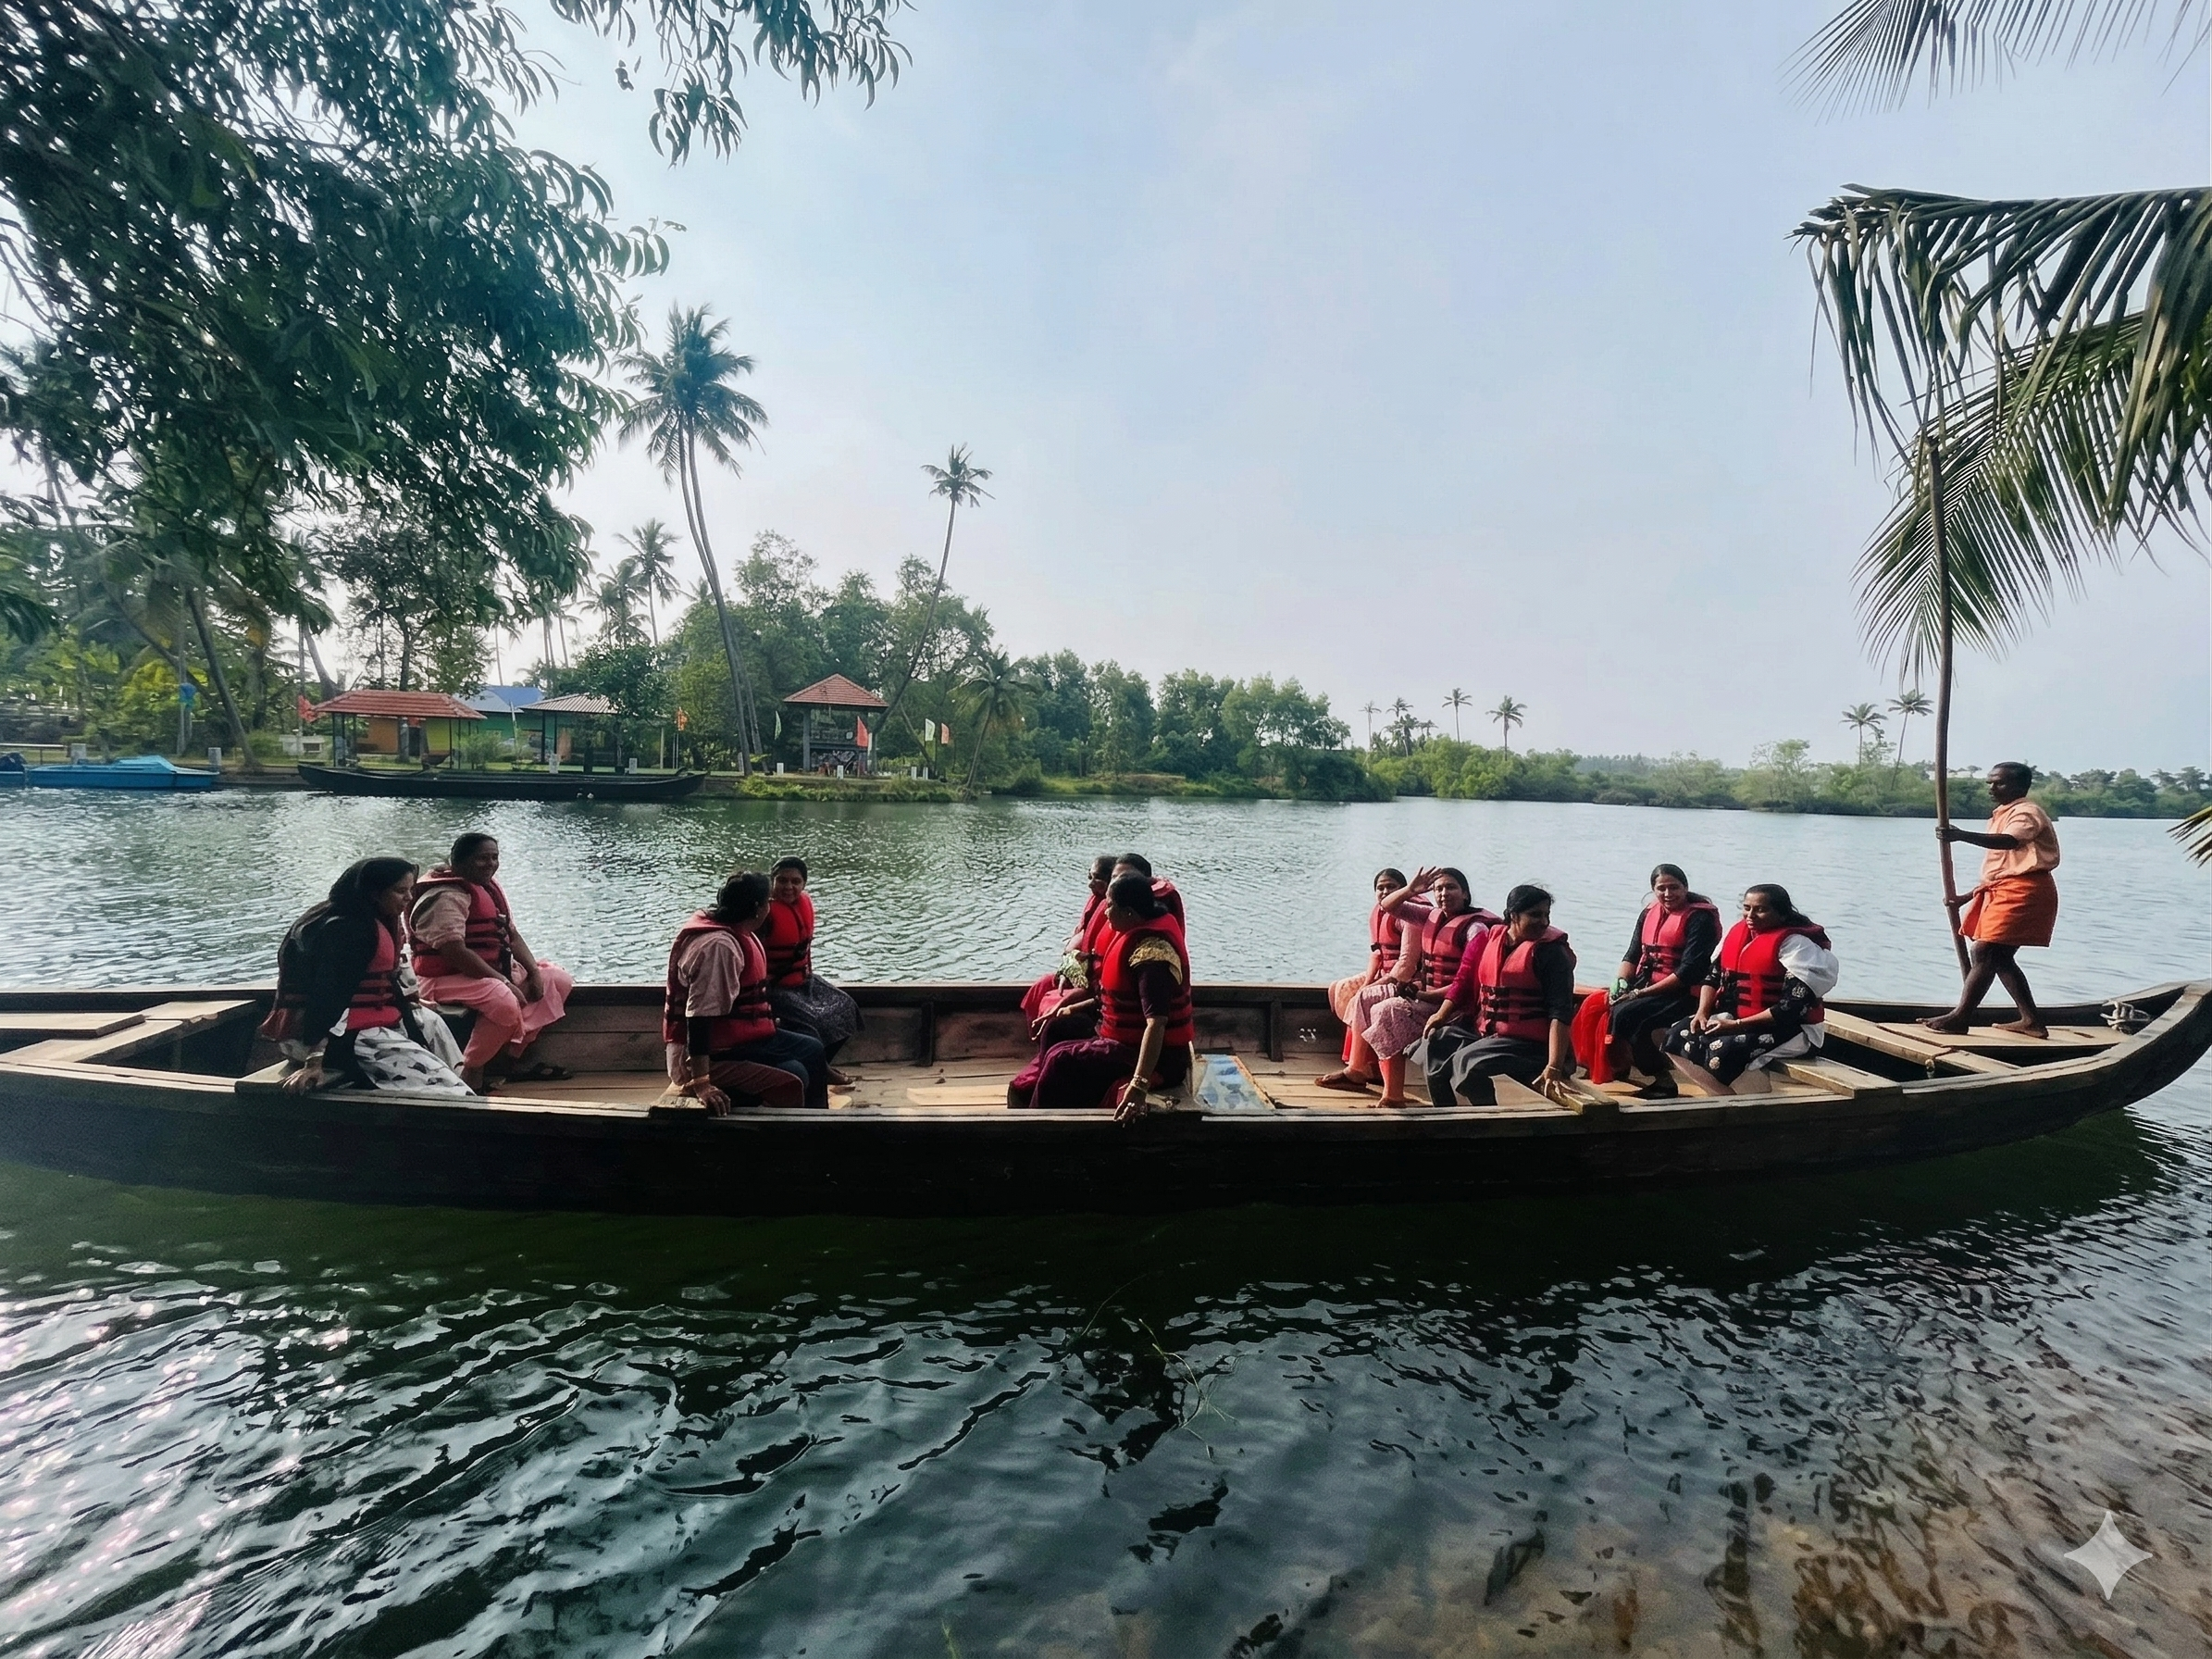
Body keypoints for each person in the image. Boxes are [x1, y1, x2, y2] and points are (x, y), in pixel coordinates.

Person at [263, 857, 472, 1096]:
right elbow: (328, 997)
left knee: (432, 1023)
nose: (409, 898)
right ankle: (455, 1097)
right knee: (450, 1090)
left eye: (410, 890)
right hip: (320, 1036)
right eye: (400, 891)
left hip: (357, 1020)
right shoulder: (347, 930)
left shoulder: (372, 918)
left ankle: (458, 1083)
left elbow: (377, 977)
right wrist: (314, 1061)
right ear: (374, 893)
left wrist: (403, 999)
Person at [1009, 874, 1193, 1119]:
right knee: (1057, 1032)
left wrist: (1138, 1085)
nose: (1105, 913)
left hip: (1161, 1058)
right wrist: (1070, 1009)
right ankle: (1040, 1104)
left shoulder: (1152, 956)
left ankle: (1040, 1128)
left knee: (1060, 1061)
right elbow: (1117, 998)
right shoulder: (1134, 929)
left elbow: (1156, 1023)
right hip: (1123, 1038)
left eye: (1109, 906)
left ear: (1128, 912)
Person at [410, 832, 576, 1091]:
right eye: (482, 858)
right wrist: (502, 981)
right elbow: (453, 951)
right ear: (459, 861)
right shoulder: (445, 895)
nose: (490, 864)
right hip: (443, 979)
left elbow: (511, 934)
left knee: (556, 980)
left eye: (494, 857)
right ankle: (471, 1068)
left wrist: (532, 971)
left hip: (487, 972)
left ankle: (510, 1059)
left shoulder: (487, 886)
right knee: (503, 999)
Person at [662, 871, 831, 1112]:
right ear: (757, 908)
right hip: (704, 1056)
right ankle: (793, 1135)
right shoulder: (719, 948)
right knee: (795, 1076)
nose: (770, 907)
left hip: (736, 1041)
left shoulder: (738, 929)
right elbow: (698, 1018)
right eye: (767, 902)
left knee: (812, 1049)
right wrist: (701, 1083)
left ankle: (819, 1122)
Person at [1660, 883, 1840, 1095]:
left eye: (1760, 910)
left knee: (1726, 1050)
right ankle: (1725, 1096)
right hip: (1738, 1020)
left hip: (1793, 1029)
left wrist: (1736, 1025)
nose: (1750, 915)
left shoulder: (1798, 946)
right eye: (1746, 908)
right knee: (1677, 1034)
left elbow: (1791, 1008)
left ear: (1782, 914)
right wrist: (1702, 1012)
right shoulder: (1738, 934)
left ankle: (1754, 1099)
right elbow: (1712, 977)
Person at [1922, 762, 2060, 1038]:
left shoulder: (2026, 812)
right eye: (1990, 783)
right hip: (2006, 889)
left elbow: (2009, 842)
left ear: (2021, 786)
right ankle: (2031, 1020)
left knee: (1985, 952)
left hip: (2025, 892)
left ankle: (1961, 1017)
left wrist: (1961, 836)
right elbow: (2001, 869)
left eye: (1999, 783)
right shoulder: (2001, 814)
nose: (1992, 788)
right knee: (1999, 956)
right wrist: (1964, 898)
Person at [1413, 883, 1577, 1105]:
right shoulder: (1493, 939)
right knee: (1435, 1042)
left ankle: (1487, 1117)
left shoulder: (1552, 953)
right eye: (1535, 915)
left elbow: (1561, 1012)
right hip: (1489, 1033)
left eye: (1546, 915)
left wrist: (1554, 1067)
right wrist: (1442, 1014)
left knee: (1467, 1062)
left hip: (1533, 1047)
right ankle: (1446, 1113)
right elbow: (1463, 981)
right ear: (1513, 916)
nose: (1544, 922)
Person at [1348, 868, 1496, 1106]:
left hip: (1456, 1007)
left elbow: (1465, 982)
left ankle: (1393, 1095)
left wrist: (1424, 995)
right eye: (1438, 889)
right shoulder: (1430, 916)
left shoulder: (1475, 930)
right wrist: (1409, 890)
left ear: (1465, 894)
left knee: (1388, 1011)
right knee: (1378, 1007)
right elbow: (1389, 906)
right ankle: (1391, 1093)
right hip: (1430, 998)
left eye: (1451, 888)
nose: (1443, 893)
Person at [1315, 866, 1433, 1091]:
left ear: (1404, 889)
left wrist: (1373, 986)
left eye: (1391, 887)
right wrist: (1369, 980)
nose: (1385, 891)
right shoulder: (1379, 912)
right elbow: (1377, 953)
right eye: (1380, 888)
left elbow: (1406, 967)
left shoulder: (1409, 914)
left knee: (1363, 997)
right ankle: (1369, 1064)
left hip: (1410, 982)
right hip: (1384, 974)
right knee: (1338, 989)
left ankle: (1356, 1070)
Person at [1604, 865, 1721, 1088]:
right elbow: (1632, 954)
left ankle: (1662, 1079)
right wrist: (1620, 983)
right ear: (1653, 890)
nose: (1668, 894)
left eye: (1674, 887)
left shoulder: (1700, 919)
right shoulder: (1648, 913)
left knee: (1630, 1015)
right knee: (1596, 1006)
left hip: (1685, 992)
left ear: (1685, 888)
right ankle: (1614, 1067)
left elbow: (1688, 971)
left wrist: (1638, 993)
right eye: (1661, 888)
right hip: (1649, 986)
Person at [761, 857, 862, 1081]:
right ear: (772, 882)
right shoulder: (764, 914)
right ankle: (820, 1071)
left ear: (804, 884)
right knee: (813, 1021)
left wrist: (808, 977)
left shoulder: (805, 903)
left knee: (847, 1007)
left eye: (795, 881)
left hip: (803, 981)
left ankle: (819, 1066)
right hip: (773, 987)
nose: (789, 887)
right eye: (782, 880)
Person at [1019, 854, 1115, 1042]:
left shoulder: (1115, 917)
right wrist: (1066, 971)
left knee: (1054, 1002)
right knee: (1042, 986)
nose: (1091, 885)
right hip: (1078, 974)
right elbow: (1077, 942)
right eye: (1089, 877)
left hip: (1094, 985)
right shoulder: (1096, 904)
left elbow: (1100, 970)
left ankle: (1049, 1044)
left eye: (1098, 881)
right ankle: (1037, 1043)